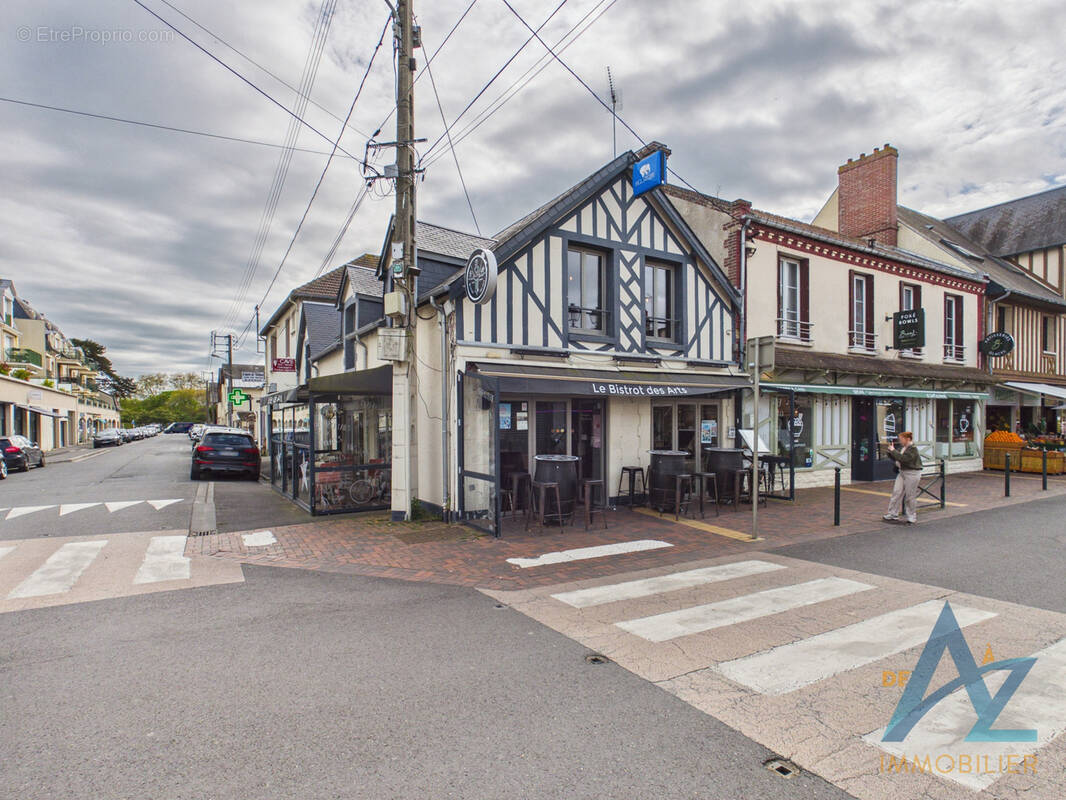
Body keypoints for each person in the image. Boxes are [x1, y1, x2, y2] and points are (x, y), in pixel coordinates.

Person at [883, 431, 922, 524]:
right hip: (902, 472)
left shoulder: (913, 449)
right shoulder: (903, 448)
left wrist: (893, 451)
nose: (900, 441)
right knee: (897, 492)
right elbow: (898, 458)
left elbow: (904, 459)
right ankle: (892, 513)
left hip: (912, 473)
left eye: (901, 439)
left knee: (910, 495)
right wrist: (890, 453)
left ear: (908, 439)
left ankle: (911, 516)